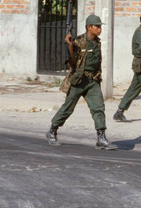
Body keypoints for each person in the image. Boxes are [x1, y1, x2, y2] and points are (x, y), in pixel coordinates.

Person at [45, 14, 116, 150]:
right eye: (97, 26)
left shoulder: (97, 42)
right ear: (89, 27)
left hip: (92, 80)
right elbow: (71, 63)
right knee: (68, 108)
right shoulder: (78, 42)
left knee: (98, 108)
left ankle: (101, 137)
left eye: (100, 26)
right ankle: (52, 131)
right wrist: (70, 47)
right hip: (78, 80)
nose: (100, 29)